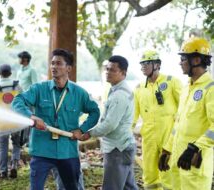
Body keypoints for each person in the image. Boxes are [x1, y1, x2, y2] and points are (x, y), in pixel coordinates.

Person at [12, 48, 100, 190]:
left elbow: (95, 112)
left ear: (68, 68)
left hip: (67, 151)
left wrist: (82, 129)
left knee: (72, 187)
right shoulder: (39, 89)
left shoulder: (79, 93)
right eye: (52, 63)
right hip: (41, 151)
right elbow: (17, 101)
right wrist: (31, 116)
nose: (53, 67)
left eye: (58, 63)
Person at [159, 37, 214, 189]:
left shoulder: (211, 89)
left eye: (183, 58)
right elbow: (179, 123)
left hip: (196, 163)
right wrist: (167, 149)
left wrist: (194, 147)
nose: (180, 62)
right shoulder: (186, 88)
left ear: (196, 60)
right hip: (179, 160)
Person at [80, 55, 138, 190]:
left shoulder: (119, 95)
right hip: (124, 146)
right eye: (107, 69)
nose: (108, 72)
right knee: (128, 187)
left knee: (112, 187)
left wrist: (89, 134)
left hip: (117, 149)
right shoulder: (118, 90)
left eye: (112, 70)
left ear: (123, 73)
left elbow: (109, 125)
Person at [133, 50, 182, 189]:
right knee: (149, 175)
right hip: (148, 137)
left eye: (147, 63)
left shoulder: (172, 82)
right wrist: (126, 131)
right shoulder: (139, 88)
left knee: (169, 172)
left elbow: (184, 107)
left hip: (168, 136)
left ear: (157, 65)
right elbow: (133, 115)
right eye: (141, 64)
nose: (143, 66)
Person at [0, 64, 22, 178]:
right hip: (16, 123)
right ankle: (14, 165)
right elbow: (24, 103)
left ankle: (3, 171)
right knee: (17, 144)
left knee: (2, 148)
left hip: (1, 124)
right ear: (10, 74)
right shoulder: (17, 86)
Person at [17, 51, 38, 146]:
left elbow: (35, 85)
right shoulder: (19, 70)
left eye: (20, 58)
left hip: (29, 100)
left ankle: (30, 141)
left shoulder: (32, 70)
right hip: (20, 99)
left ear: (25, 59)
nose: (18, 60)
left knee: (30, 120)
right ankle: (22, 140)